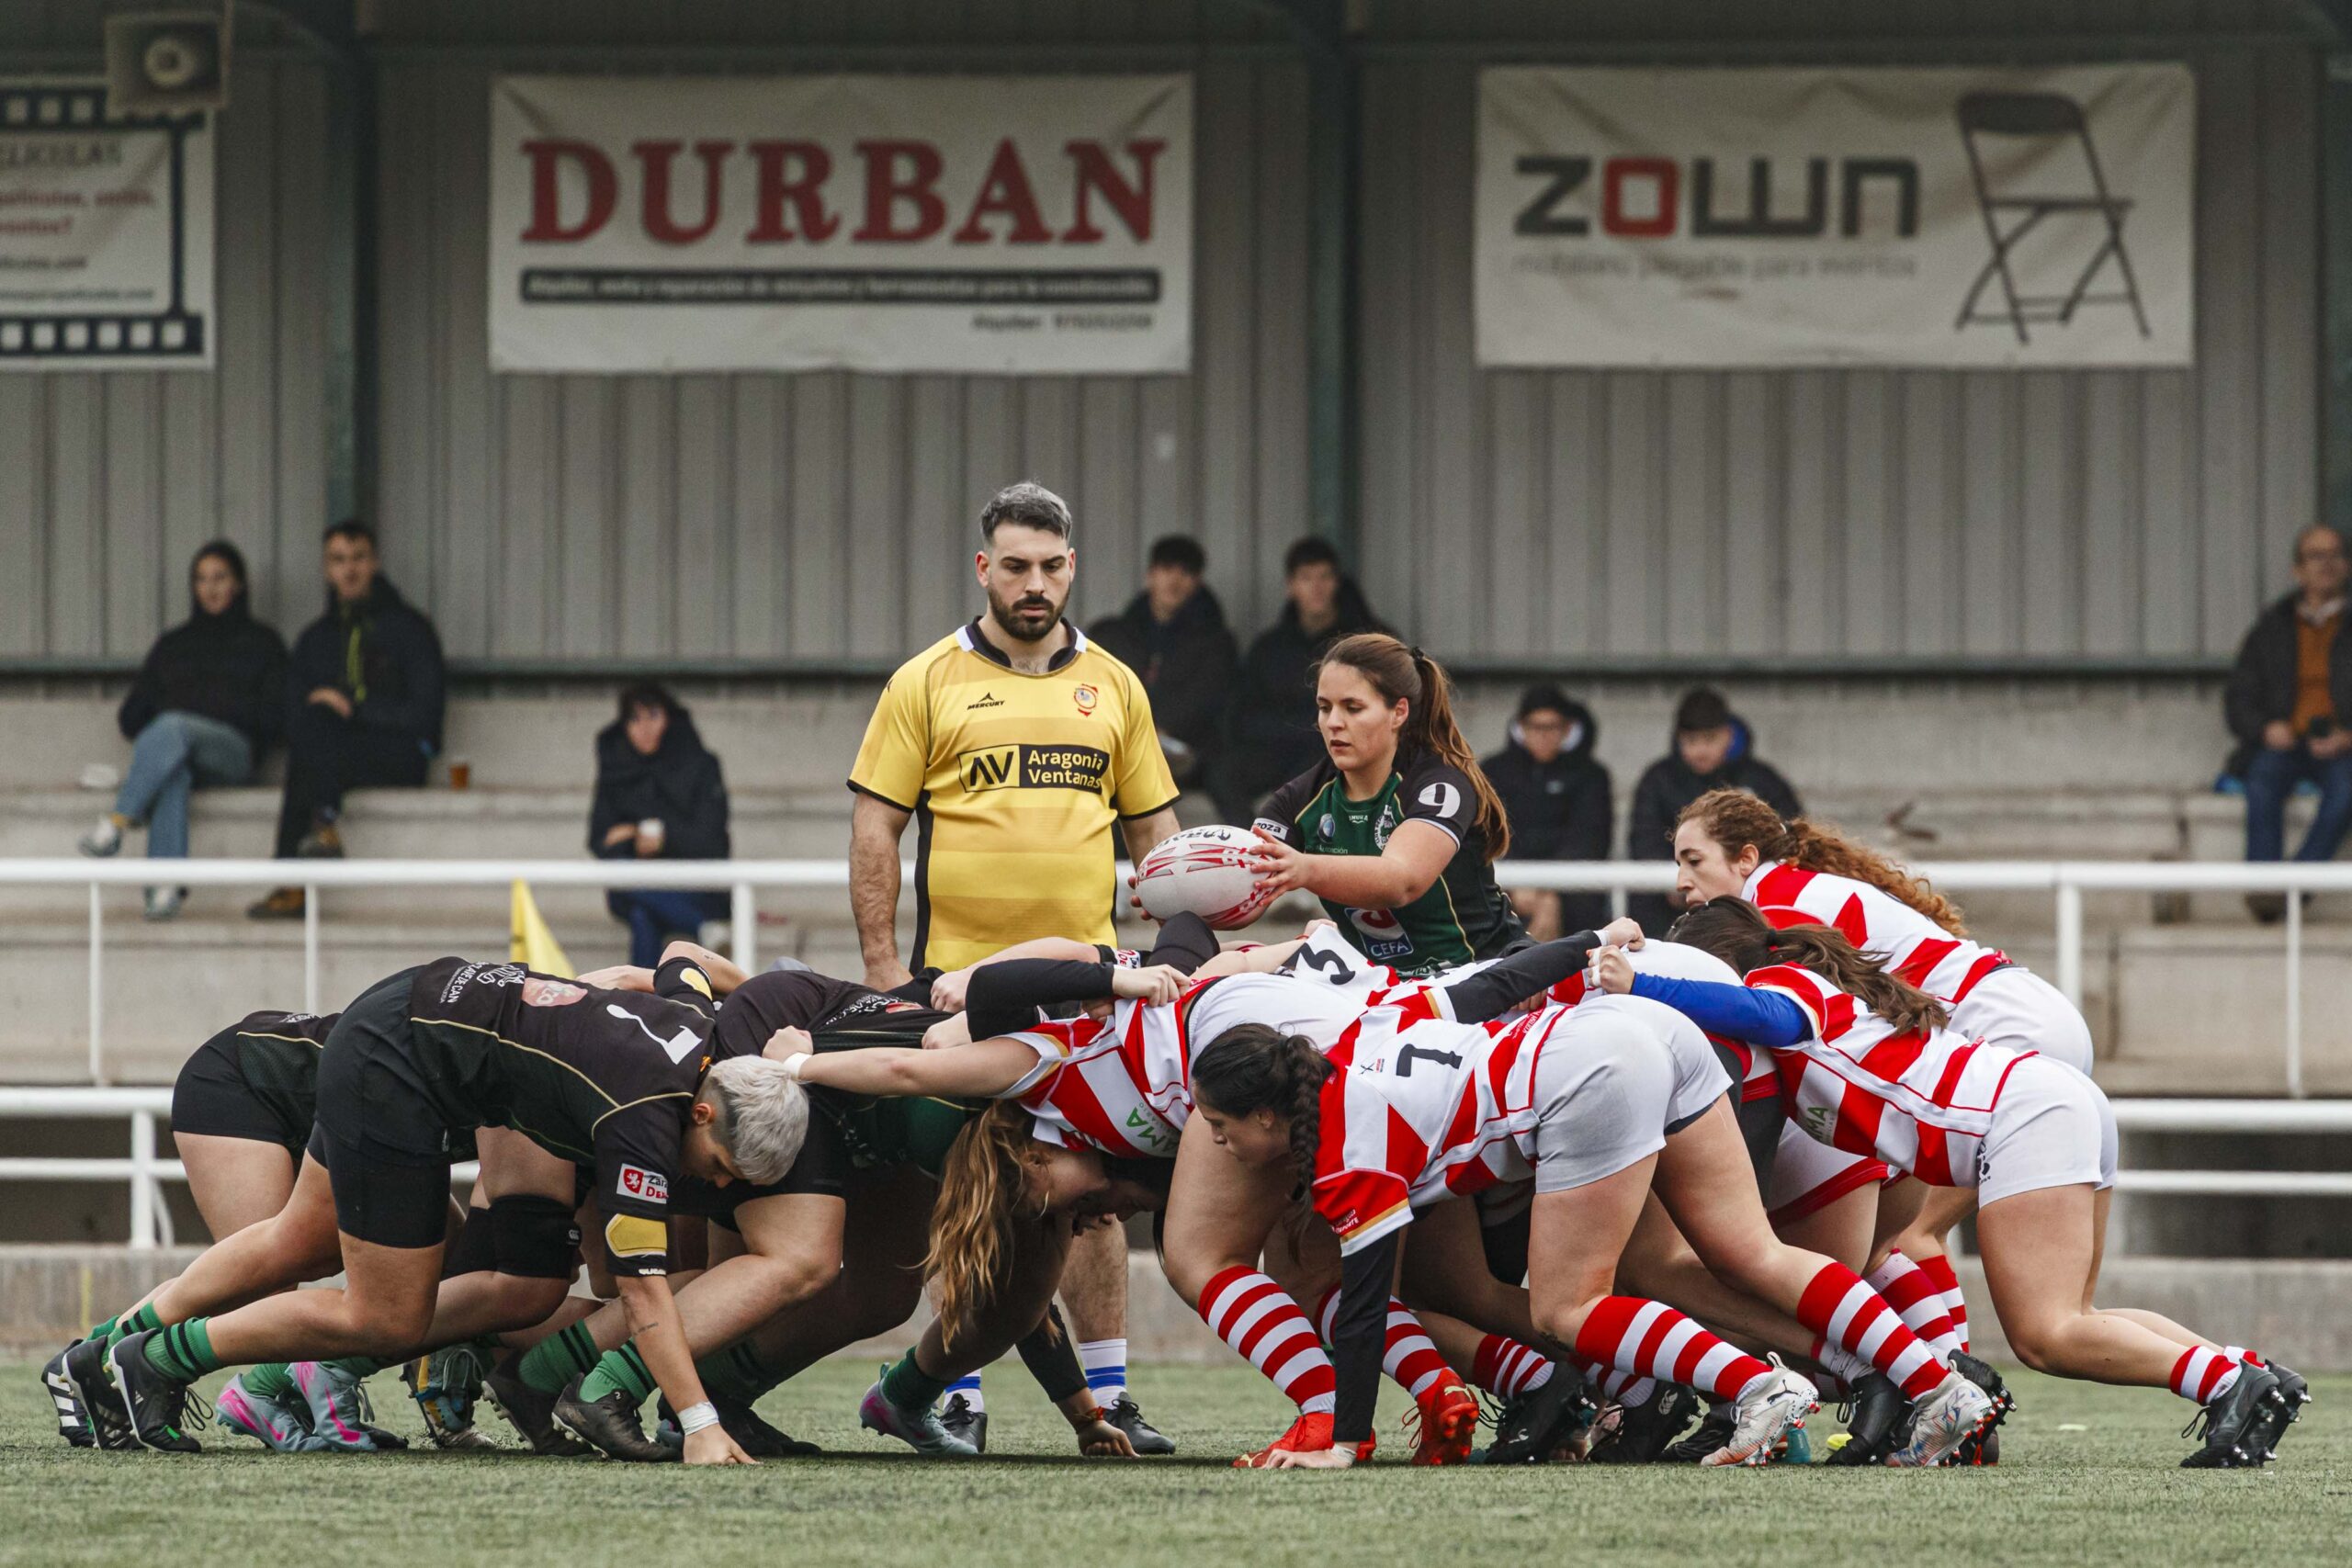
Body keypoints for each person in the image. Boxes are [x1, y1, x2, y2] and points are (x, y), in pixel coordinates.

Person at [1619, 899, 2308, 1470]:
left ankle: (2228, 1384)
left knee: (2047, 1334)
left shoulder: (1785, 983)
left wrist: (1639, 984)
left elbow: (1766, 1018)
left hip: (2019, 1116)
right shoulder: (1818, 981)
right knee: (2079, 1314)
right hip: (2046, 1099)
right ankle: (2246, 1370)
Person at [62, 950, 807, 1465]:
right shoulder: (651, 1115)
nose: (711, 1185)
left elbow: (681, 956)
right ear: (705, 1117)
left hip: (400, 1013)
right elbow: (641, 1289)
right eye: (718, 1168)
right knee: (386, 1317)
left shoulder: (697, 1028)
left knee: (296, 1242)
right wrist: (702, 1423)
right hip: (399, 1064)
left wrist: (790, 1044)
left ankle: (102, 1352)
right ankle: (153, 1360)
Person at [845, 478, 1183, 1454]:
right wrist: (880, 970)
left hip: (1091, 989)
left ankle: (1111, 1394)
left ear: (1071, 568)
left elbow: (1155, 836)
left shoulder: (1115, 685)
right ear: (983, 568)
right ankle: (957, 1391)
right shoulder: (925, 681)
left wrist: (1172, 951)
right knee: (971, 1191)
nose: (1033, 585)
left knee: (1089, 1188)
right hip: (959, 983)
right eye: (1016, 566)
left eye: (1051, 567)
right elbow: (876, 831)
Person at [1245, 633, 1524, 976]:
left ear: (1398, 713)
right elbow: (1234, 886)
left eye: (1353, 708)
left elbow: (1401, 881)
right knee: (1236, 960)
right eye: (1324, 707)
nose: (1333, 722)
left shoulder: (1440, 783)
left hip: (1488, 974)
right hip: (1382, 990)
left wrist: (1304, 869)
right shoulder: (1299, 800)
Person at [79, 541, 287, 920]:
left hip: (234, 754)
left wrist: (196, 710)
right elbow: (131, 716)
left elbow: (277, 716)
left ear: (238, 583)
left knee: (174, 725)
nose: (210, 588)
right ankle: (163, 889)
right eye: (201, 579)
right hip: (178, 753)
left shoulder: (262, 642)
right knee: (173, 772)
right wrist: (167, 724)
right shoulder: (174, 644)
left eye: (220, 577)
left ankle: (118, 820)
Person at [249, 521, 446, 920]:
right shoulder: (315, 639)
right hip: (330, 755)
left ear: (374, 563)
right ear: (326, 569)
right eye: (339, 560)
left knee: (314, 742)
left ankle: (292, 879)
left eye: (358, 558)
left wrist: (355, 710)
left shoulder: (410, 629)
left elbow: (425, 715)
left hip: (397, 754)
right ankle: (322, 825)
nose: (349, 569)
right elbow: (290, 714)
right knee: (314, 728)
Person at [2224, 524, 2352, 921]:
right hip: (2284, 741)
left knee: (2346, 790)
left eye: (2334, 555)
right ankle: (2265, 889)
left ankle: (2294, 888)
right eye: (2316, 556)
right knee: (2260, 779)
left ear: (2346, 566)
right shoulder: (2272, 627)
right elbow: (2238, 696)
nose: (2326, 565)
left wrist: (2347, 737)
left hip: (2342, 746)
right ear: (2297, 570)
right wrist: (2265, 729)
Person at [1213, 537, 1388, 825]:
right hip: (1276, 747)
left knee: (1312, 776)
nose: (1316, 588)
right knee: (1223, 773)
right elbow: (1242, 712)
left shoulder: (1366, 642)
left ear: (1336, 583)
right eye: (1306, 578)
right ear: (1290, 586)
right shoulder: (1269, 647)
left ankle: (1298, 853)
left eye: (1324, 577)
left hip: (1337, 748)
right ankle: (1249, 847)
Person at [1626, 687, 1801, 935]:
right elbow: (1645, 838)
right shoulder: (1658, 781)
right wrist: (1672, 879)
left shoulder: (1762, 781)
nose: (1700, 750)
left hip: (1745, 906)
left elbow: (1788, 833)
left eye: (1709, 740)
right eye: (1691, 741)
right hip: (1667, 908)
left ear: (1728, 735)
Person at [590, 684, 732, 966]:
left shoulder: (700, 766)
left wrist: (665, 839)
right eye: (634, 719)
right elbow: (599, 840)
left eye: (653, 715)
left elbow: (713, 839)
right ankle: (703, 928)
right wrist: (635, 837)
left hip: (695, 886)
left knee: (643, 914)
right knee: (626, 880)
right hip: (633, 883)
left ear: (669, 719)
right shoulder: (616, 770)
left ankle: (640, 1006)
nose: (644, 728)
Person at [1086, 535, 1238, 789]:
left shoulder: (1216, 642)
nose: (1174, 581)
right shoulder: (1114, 634)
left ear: (1197, 582)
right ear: (1150, 575)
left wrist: (1162, 729)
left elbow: (1206, 699)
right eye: (1167, 569)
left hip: (1185, 750)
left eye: (1186, 573)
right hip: (1120, 742)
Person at [1481, 682, 1613, 940]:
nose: (1543, 735)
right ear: (1520, 726)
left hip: (1574, 894)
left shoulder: (1592, 776)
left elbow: (1590, 838)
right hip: (1506, 885)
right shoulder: (1494, 771)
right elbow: (1488, 832)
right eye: (1535, 726)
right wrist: (1516, 882)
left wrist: (1551, 891)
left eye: (1552, 727)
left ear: (1567, 729)